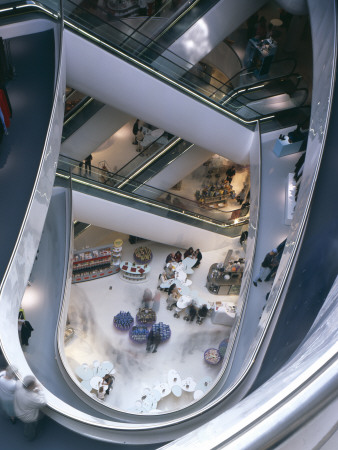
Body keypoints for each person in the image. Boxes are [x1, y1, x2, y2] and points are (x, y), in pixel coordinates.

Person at [14, 375, 46, 441]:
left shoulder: (18, 384)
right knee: (30, 427)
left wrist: (34, 390)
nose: (36, 384)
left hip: (18, 410)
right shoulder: (32, 398)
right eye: (35, 383)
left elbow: (26, 392)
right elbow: (43, 402)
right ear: (30, 386)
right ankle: (30, 437)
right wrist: (40, 390)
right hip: (28, 418)